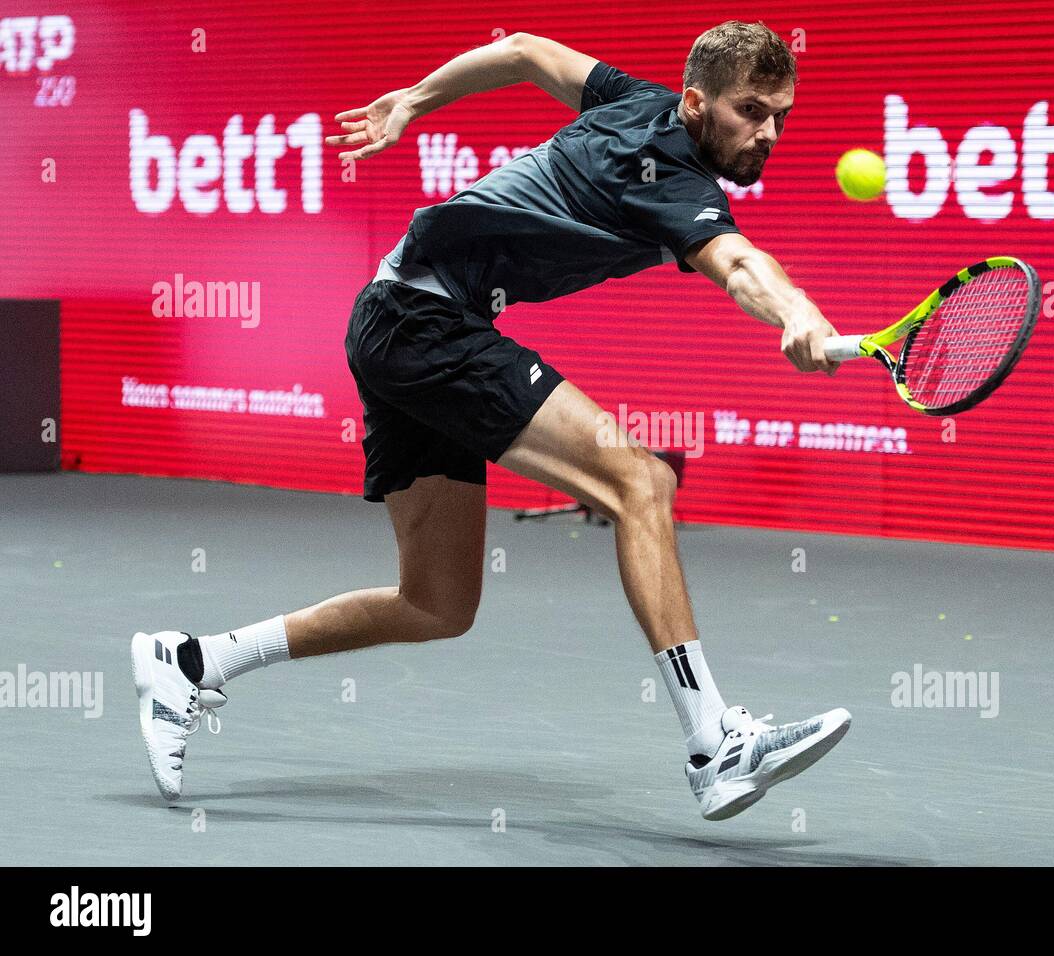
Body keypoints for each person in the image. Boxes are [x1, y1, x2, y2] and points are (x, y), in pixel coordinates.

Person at [132, 20, 850, 821]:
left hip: (395, 316)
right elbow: (741, 263)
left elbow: (524, 53)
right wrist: (797, 313)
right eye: (752, 111)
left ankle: (192, 661)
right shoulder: (673, 179)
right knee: (640, 482)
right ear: (695, 102)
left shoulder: (633, 101)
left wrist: (416, 99)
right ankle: (714, 743)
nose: (769, 133)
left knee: (437, 602)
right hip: (424, 326)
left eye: (782, 114)